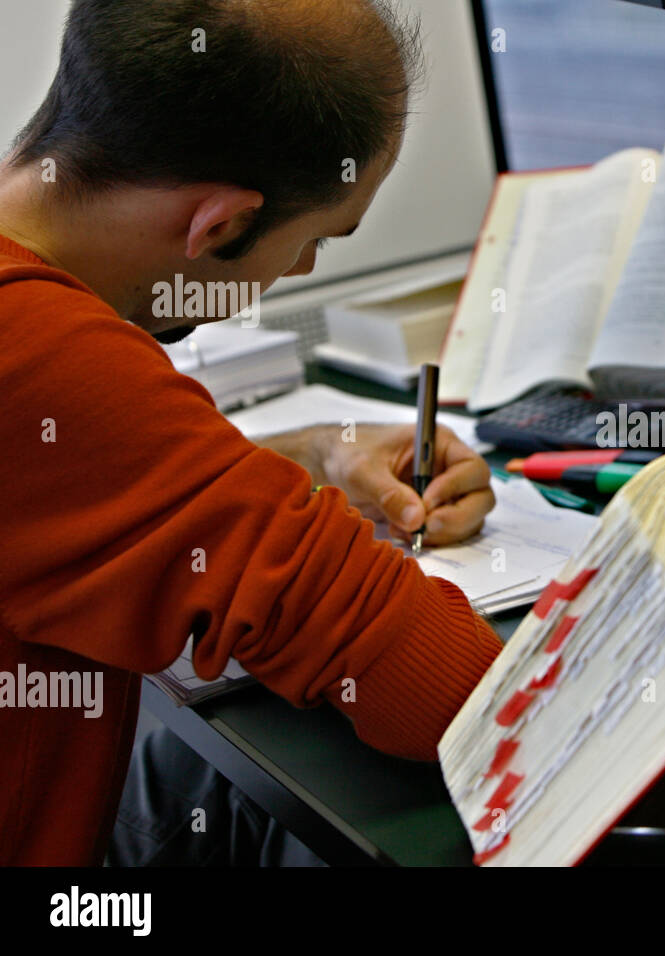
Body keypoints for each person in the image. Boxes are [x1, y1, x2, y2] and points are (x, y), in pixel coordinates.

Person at [0, 0, 502, 865]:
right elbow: (456, 698)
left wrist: (309, 455)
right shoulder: (43, 359)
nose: (301, 269)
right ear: (221, 225)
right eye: (317, 241)